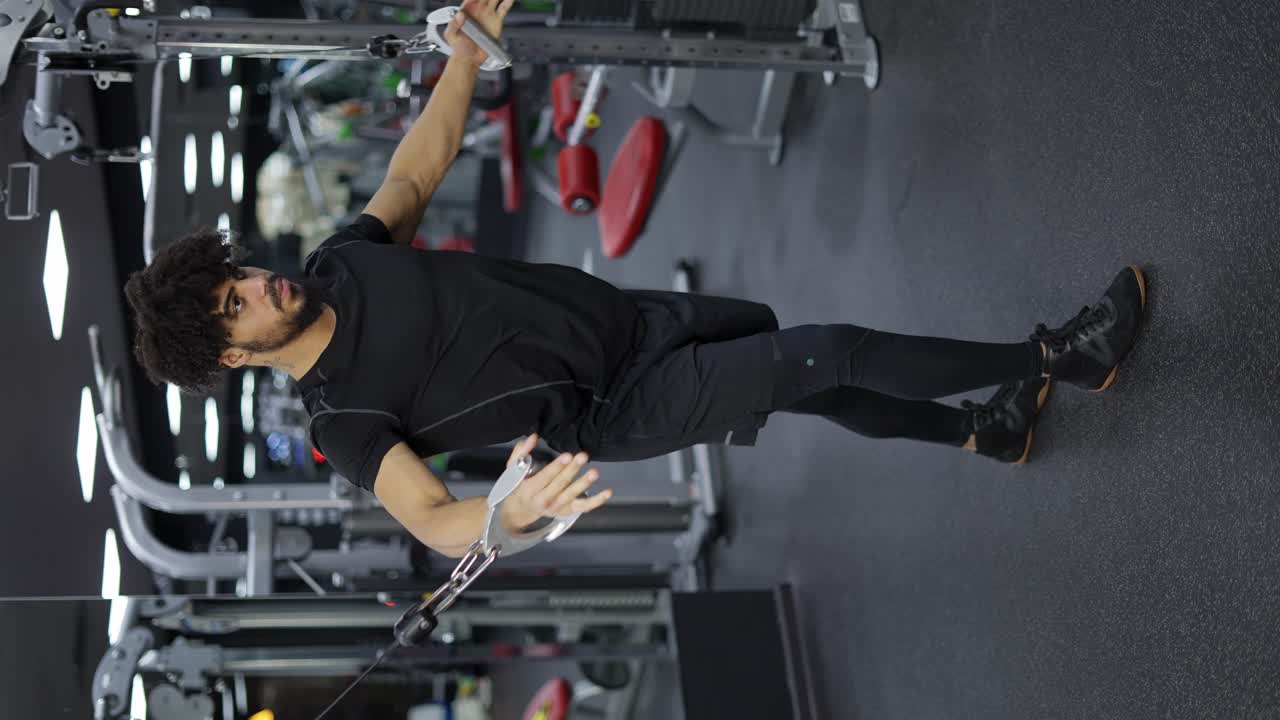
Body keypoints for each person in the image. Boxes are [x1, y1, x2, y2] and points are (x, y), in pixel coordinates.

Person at [123, 0, 1148, 558]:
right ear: (230, 354)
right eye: (234, 304)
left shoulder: (340, 264)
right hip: (615, 406)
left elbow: (415, 172)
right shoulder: (344, 421)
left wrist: (465, 57)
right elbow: (429, 516)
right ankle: (1058, 354)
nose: (256, 283)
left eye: (236, 272)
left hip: (627, 318)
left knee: (812, 384)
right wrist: (502, 521)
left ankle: (982, 432)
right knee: (827, 354)